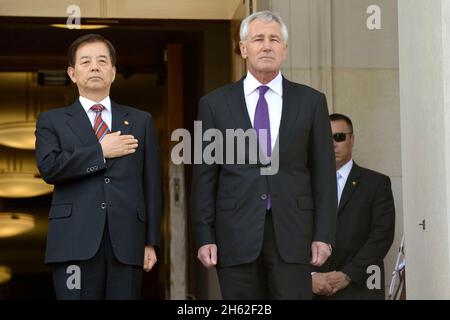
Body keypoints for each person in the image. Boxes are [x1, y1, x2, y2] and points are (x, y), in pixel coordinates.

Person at [192, 11, 336, 299]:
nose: (266, 46)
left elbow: (323, 174)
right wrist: (204, 236)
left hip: (294, 234)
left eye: (274, 39)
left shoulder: (311, 101)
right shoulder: (214, 104)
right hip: (235, 234)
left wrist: (324, 234)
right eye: (258, 39)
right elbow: (205, 176)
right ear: (244, 48)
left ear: (284, 49)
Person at [35, 34, 162, 299]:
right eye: (86, 61)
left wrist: (150, 241)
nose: (95, 67)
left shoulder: (140, 121)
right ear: (72, 73)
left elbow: (151, 184)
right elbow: (49, 168)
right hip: (73, 242)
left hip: (127, 242)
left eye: (102, 61)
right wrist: (99, 152)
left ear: (113, 72)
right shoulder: (52, 121)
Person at [312, 113, 395, 299]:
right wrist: (310, 276)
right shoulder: (304, 185)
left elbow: (381, 236)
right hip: (313, 289)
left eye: (339, 137)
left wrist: (347, 275)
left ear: (352, 139)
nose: (332, 143)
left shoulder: (376, 183)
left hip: (360, 288)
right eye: (326, 137)